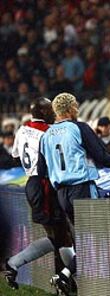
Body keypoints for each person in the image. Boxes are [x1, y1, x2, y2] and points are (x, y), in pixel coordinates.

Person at [38, 92, 110, 294]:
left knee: (83, 240)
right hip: (81, 188)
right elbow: (101, 156)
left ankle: (72, 281)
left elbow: (42, 170)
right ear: (70, 109)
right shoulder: (78, 128)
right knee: (94, 240)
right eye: (76, 106)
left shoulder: (46, 136)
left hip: (61, 193)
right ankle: (65, 276)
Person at [4, 98, 74, 292]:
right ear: (43, 113)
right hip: (44, 185)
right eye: (50, 109)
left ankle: (14, 264)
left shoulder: (22, 130)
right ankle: (69, 278)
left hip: (31, 183)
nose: (53, 112)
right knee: (62, 237)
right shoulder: (48, 132)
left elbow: (16, 155)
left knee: (57, 236)